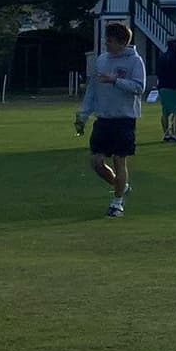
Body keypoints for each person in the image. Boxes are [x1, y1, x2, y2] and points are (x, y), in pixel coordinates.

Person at [77, 22, 146, 217]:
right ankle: (121, 186)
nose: (106, 43)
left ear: (122, 42)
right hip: (103, 119)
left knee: (119, 160)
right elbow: (92, 90)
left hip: (124, 119)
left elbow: (139, 87)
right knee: (96, 162)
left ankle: (117, 203)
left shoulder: (135, 61)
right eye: (106, 40)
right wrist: (83, 115)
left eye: (110, 41)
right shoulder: (101, 60)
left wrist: (116, 81)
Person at [154, 38, 176, 143]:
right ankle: (173, 133)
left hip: (162, 87)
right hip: (173, 88)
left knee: (165, 111)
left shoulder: (162, 57)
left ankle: (166, 134)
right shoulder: (175, 59)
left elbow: (158, 72)